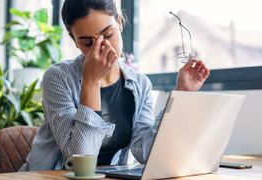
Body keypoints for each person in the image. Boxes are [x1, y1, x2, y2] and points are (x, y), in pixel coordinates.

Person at [19, 0, 210, 171]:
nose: (102, 48)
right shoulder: (58, 77)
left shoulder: (140, 84)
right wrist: (91, 82)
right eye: (87, 43)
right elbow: (80, 164)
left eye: (108, 35)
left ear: (119, 23)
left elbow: (145, 151)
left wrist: (181, 94)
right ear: (75, 42)